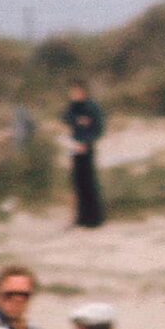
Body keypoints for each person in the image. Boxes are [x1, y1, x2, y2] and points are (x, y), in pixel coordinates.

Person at [62, 78, 106, 227]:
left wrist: (86, 142)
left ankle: (95, 219)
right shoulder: (72, 107)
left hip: (87, 148)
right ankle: (81, 218)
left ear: (84, 92)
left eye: (77, 92)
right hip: (74, 147)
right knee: (77, 183)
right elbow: (65, 119)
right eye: (72, 92)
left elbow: (99, 130)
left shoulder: (92, 107)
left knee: (89, 183)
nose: (74, 94)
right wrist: (74, 123)